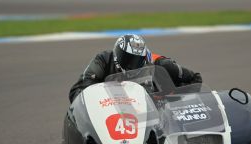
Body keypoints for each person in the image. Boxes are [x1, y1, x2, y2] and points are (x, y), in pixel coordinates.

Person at [69, 34, 202, 103]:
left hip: (148, 113)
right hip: (110, 108)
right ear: (117, 54)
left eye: (137, 60)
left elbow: (195, 79)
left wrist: (171, 98)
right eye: (127, 58)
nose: (132, 64)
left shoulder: (160, 63)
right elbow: (78, 90)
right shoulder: (103, 60)